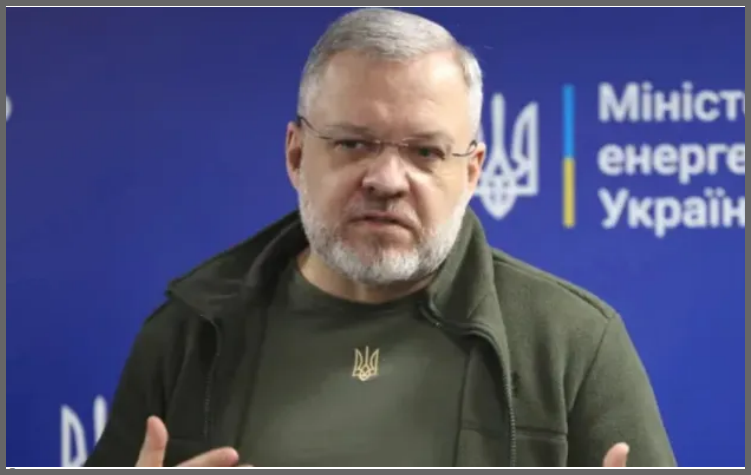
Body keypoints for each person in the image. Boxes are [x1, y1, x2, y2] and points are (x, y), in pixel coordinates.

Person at [85, 7, 676, 468]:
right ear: (296, 154)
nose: (387, 180)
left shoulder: (576, 344)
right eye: (353, 143)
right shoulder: (187, 334)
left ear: (472, 171)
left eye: (426, 152)